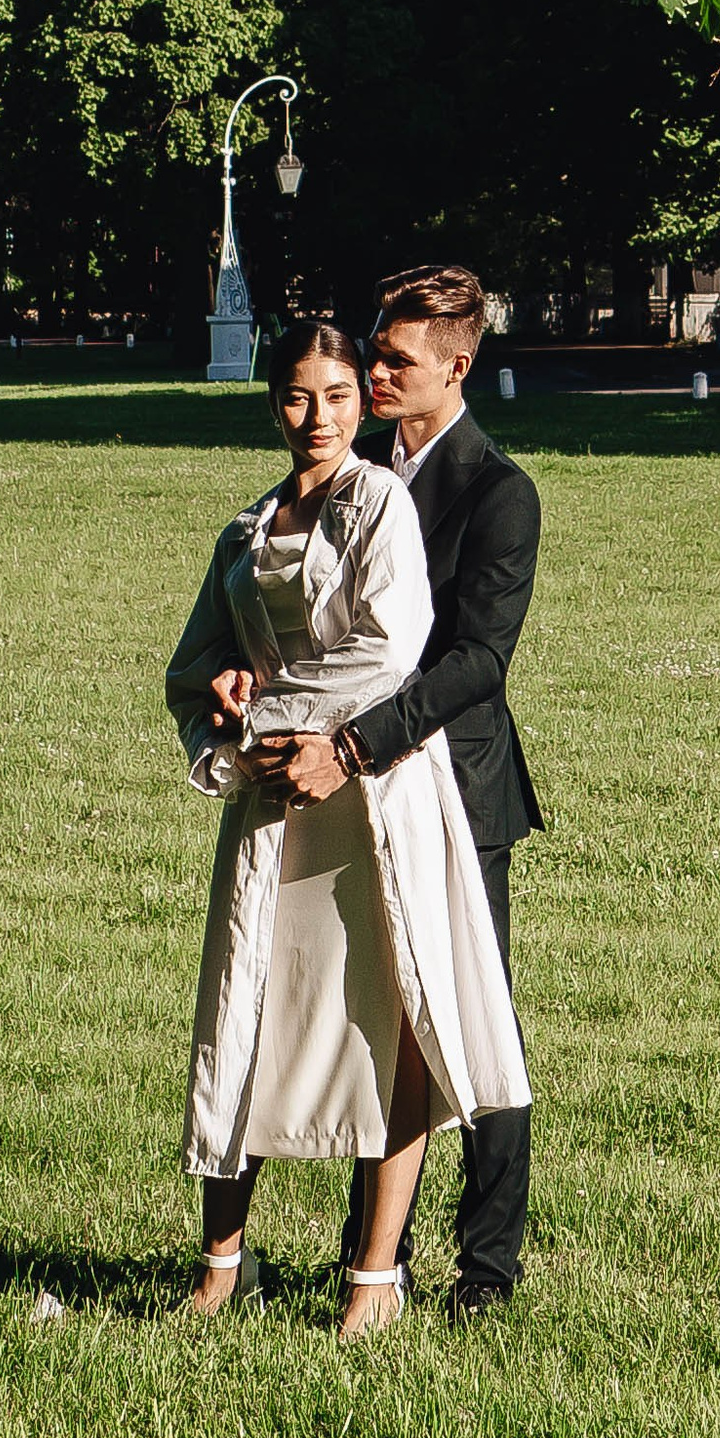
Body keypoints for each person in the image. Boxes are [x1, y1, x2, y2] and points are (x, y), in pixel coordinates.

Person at [166, 314, 528, 1341]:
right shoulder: (245, 527)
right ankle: (220, 1267)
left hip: (373, 791)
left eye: (338, 393)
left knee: (392, 1021)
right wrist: (230, 730)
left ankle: (381, 1277)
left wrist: (277, 713)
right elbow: (191, 670)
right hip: (273, 799)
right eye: (298, 394)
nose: (320, 411)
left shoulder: (383, 502)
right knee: (246, 1013)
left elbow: (396, 648)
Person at [251, 262, 542, 1321]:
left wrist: (358, 743)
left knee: (468, 1024)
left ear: (456, 367)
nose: (371, 373)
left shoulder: (498, 492)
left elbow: (477, 662)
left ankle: (488, 1270)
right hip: (341, 785)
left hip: (456, 792)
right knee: (370, 1019)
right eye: (372, 352)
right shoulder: (349, 471)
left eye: (394, 360)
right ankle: (374, 1258)